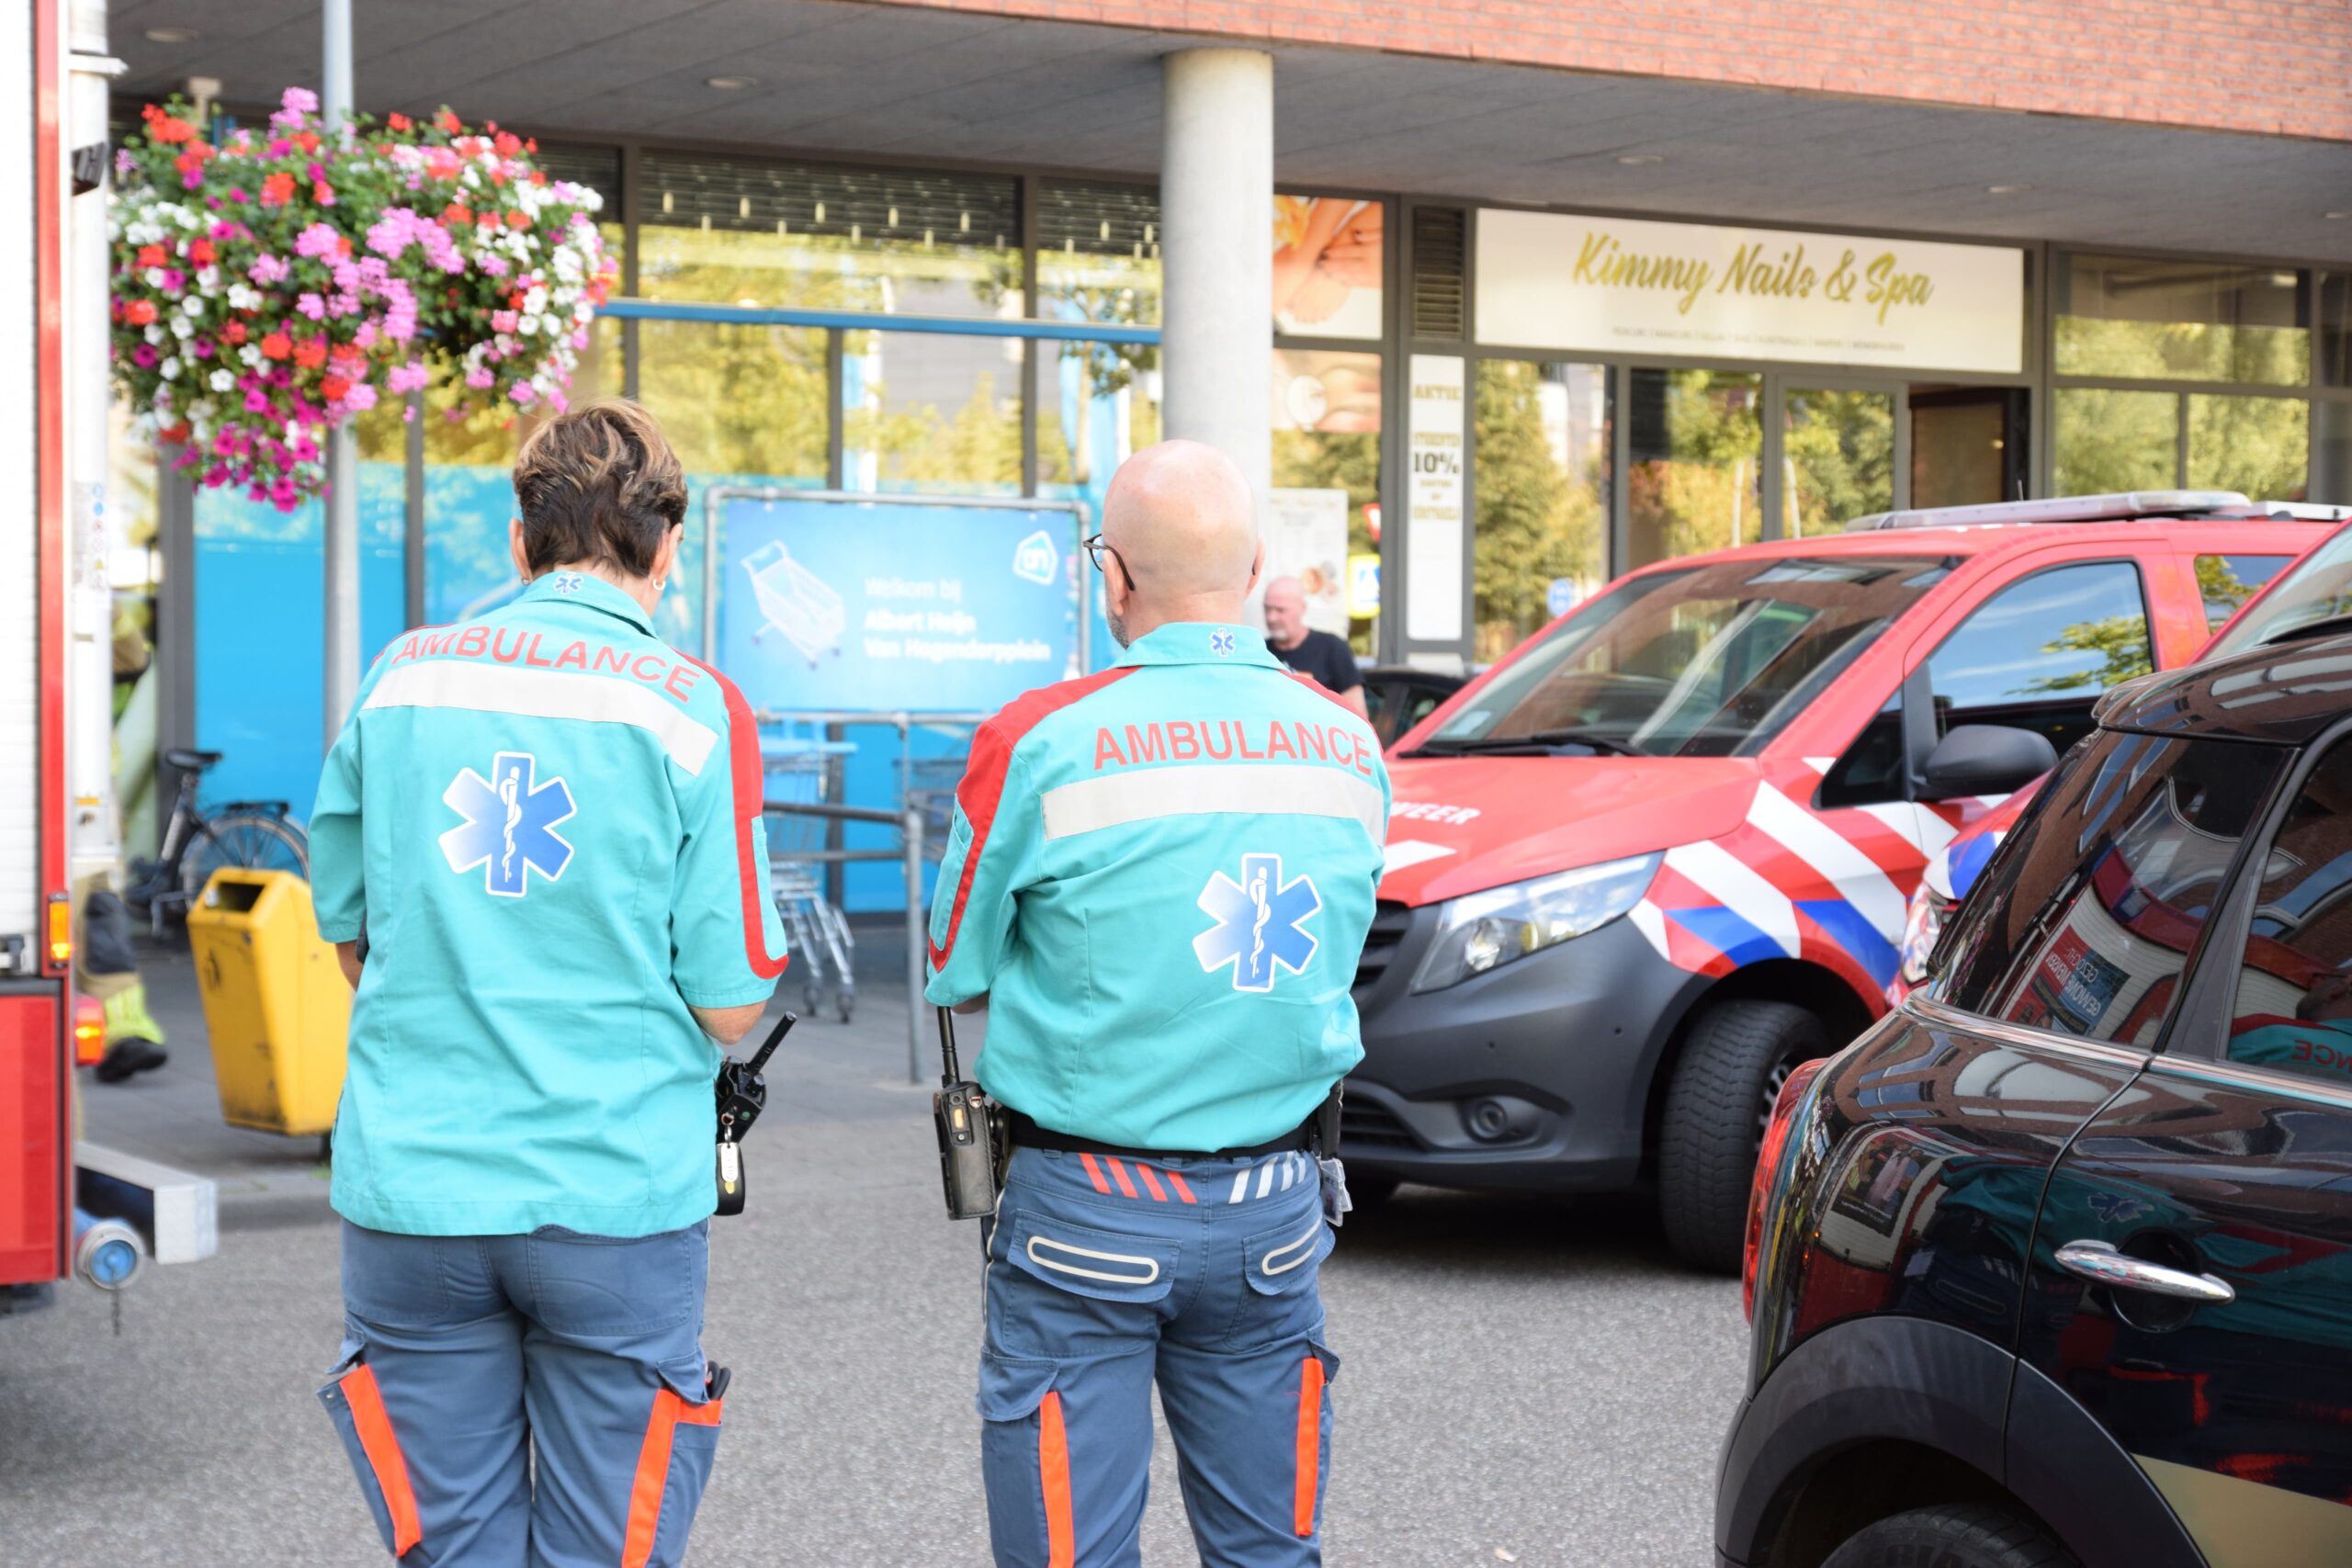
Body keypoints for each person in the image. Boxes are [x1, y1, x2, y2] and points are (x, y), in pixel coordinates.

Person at [308, 400, 787, 1567]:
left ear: (518, 544)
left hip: (414, 1193)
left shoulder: (404, 677)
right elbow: (730, 1004)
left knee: (455, 1544)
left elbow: (353, 934)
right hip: (611, 1201)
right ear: (667, 551)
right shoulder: (692, 707)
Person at [926, 439, 1390, 1568]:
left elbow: (956, 966)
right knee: (1269, 1554)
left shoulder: (1039, 738)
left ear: (1115, 576)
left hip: (1085, 1208)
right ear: (1252, 567)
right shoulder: (1348, 742)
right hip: (1276, 1214)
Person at [1263, 575, 1368, 719]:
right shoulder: (1260, 651)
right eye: (1267, 609)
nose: (1271, 618)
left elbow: (1358, 715)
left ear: (1302, 608)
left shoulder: (1331, 647)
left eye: (1280, 610)